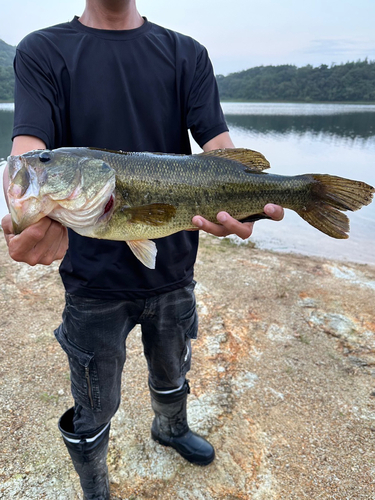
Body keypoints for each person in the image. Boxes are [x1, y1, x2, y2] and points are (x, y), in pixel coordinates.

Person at [2, 1, 284, 498]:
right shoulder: (43, 51)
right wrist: (28, 198)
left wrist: (254, 200)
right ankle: (95, 484)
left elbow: (218, 147)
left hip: (174, 269)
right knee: (94, 394)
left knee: (173, 365)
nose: (35, 167)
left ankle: (170, 427)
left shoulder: (187, 54)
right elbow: (29, 146)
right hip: (90, 282)